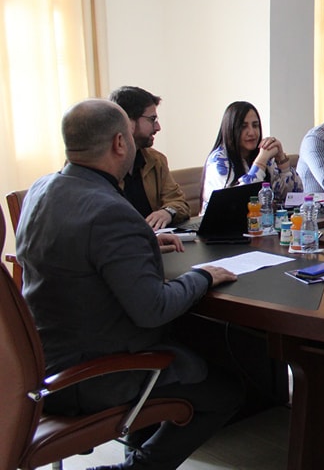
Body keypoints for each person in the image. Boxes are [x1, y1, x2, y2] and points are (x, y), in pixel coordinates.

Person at [16, 99, 243, 470]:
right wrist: (203, 276)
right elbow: (154, 309)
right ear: (120, 143)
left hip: (41, 363)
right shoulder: (109, 212)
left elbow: (75, 250)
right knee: (225, 392)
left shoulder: (40, 190)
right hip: (92, 374)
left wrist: (140, 242)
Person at [109, 86, 190, 229]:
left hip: (155, 239)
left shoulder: (156, 160)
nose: (158, 127)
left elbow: (179, 202)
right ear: (128, 122)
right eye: (152, 119)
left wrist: (167, 212)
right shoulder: (103, 164)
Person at [201, 101, 303, 213]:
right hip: (221, 222)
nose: (252, 132)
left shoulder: (262, 154)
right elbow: (239, 202)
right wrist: (261, 162)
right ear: (231, 129)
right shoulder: (218, 161)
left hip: (261, 222)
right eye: (243, 127)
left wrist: (281, 159)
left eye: (255, 125)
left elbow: (295, 198)